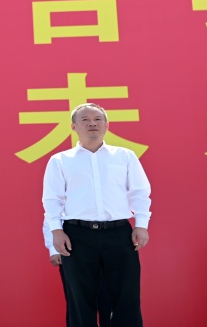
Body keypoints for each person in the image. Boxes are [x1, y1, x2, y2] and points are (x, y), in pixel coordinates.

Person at [43, 103, 151, 327]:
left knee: (126, 297)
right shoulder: (60, 160)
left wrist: (141, 224)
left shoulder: (124, 156)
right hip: (76, 235)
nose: (92, 123)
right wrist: (56, 231)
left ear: (106, 125)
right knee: (80, 299)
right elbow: (52, 199)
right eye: (85, 120)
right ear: (74, 126)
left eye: (97, 119)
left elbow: (139, 192)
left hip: (118, 233)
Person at [44, 220, 112, 325]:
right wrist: (54, 250)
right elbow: (51, 217)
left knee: (110, 299)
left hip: (108, 244)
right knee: (78, 301)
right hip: (73, 247)